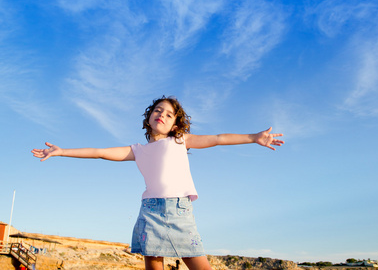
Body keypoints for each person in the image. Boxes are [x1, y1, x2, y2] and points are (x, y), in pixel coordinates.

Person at [31, 96, 284, 270]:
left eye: (169, 114)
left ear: (176, 123)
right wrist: (62, 151)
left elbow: (218, 138)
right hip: (149, 211)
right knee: (153, 264)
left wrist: (254, 137)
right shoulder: (137, 150)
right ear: (149, 117)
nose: (162, 115)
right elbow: (100, 151)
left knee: (198, 264)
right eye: (157, 110)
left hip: (178, 210)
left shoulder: (180, 140)